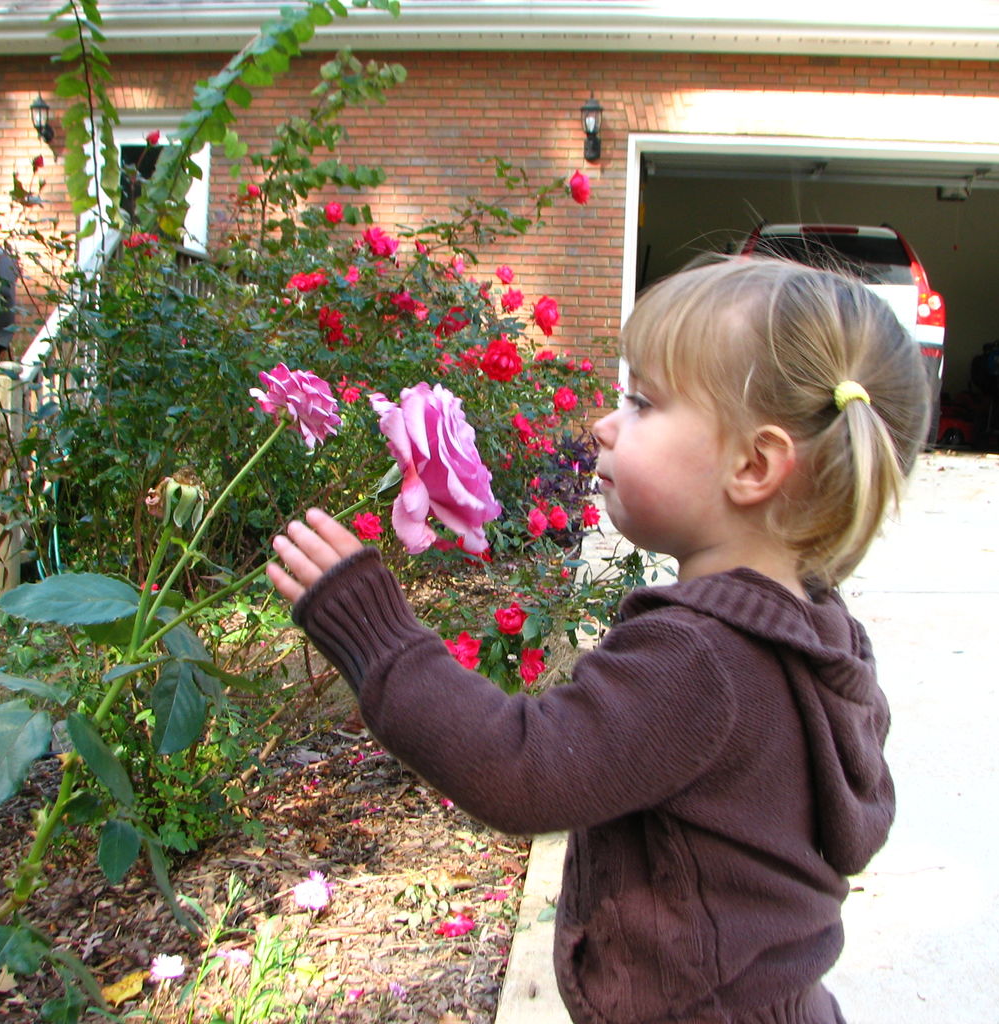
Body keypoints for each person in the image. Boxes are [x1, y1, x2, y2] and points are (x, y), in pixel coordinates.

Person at [267, 256, 932, 1024]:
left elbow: (522, 770)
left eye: (643, 403)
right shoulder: (817, 632)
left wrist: (379, 637)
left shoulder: (701, 657)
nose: (603, 424)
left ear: (753, 465)